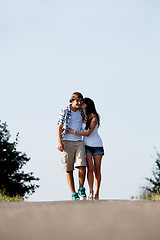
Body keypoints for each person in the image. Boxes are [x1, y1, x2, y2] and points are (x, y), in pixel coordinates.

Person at [67, 97, 104, 200]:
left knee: (97, 169)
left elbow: (87, 133)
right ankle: (91, 192)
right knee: (89, 168)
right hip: (86, 146)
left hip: (97, 146)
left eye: (83, 102)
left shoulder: (94, 117)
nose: (81, 103)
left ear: (88, 104)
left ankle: (97, 193)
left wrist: (73, 132)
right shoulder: (82, 115)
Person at [57, 92, 87, 200]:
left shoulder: (82, 112)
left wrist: (84, 109)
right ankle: (73, 193)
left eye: (80, 101)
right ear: (72, 101)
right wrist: (59, 142)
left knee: (82, 164)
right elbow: (59, 127)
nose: (79, 103)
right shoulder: (65, 111)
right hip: (66, 141)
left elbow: (86, 122)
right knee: (69, 169)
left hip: (79, 141)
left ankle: (81, 188)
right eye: (77, 101)